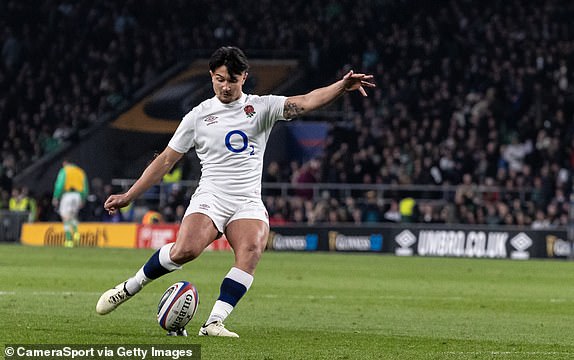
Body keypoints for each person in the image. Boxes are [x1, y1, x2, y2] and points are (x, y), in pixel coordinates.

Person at [95, 46, 375, 337]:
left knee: (251, 250)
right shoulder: (198, 116)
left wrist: (341, 87)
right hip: (211, 197)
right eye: (219, 79)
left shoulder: (262, 107)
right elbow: (166, 160)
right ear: (211, 77)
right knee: (185, 250)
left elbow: (304, 102)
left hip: (247, 201)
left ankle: (214, 322)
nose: (225, 86)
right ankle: (129, 287)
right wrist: (129, 195)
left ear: (245, 77)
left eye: (232, 80)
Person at [52, 160, 89, 247]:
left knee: (65, 217)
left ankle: (68, 240)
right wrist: (83, 198)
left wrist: (56, 196)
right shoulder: (80, 171)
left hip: (68, 195)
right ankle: (76, 233)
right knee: (73, 216)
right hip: (78, 196)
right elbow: (85, 186)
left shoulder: (65, 170)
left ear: (65, 163)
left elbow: (60, 184)